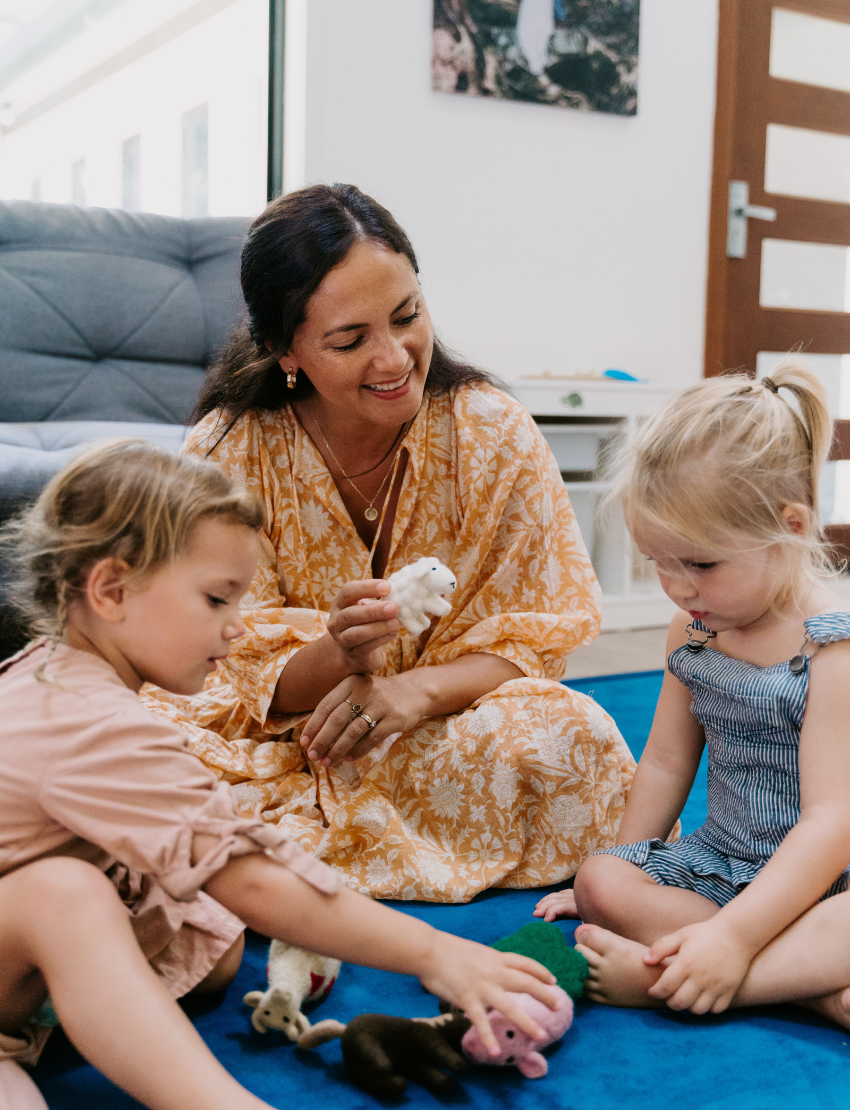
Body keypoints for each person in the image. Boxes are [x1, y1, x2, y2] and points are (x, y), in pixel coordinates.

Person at [0, 440, 560, 1110]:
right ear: (112, 591)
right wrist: (437, 954)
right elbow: (249, 877)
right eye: (216, 600)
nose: (237, 629)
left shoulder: (49, 672)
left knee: (207, 937)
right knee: (69, 892)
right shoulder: (89, 721)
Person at [141, 182, 635, 902]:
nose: (394, 358)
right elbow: (226, 663)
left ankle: (264, 864)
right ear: (285, 349)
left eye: (408, 316)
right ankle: (328, 847)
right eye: (350, 340)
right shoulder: (229, 449)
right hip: (283, 739)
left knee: (569, 732)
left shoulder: (493, 432)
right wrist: (339, 655)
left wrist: (413, 690)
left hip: (440, 728)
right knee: (140, 739)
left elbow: (533, 641)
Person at [534, 363, 850, 1030]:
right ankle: (811, 987)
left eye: (701, 564)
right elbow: (667, 763)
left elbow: (829, 824)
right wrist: (618, 869)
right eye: (660, 562)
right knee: (598, 880)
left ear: (790, 526)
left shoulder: (833, 649)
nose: (679, 588)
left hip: (825, 880)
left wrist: (734, 938)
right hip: (721, 863)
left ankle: (703, 976)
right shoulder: (696, 631)